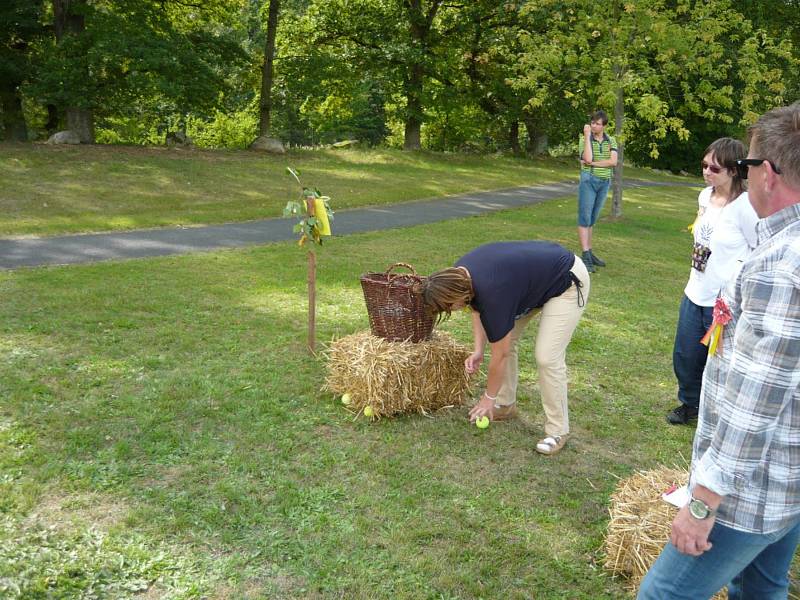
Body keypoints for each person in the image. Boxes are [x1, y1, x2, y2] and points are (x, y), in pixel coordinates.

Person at [638, 102, 800, 599]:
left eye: (748, 166)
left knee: (662, 595)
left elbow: (755, 401)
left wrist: (703, 504)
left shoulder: (781, 264)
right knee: (762, 588)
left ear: (766, 174)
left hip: (751, 494)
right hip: (786, 482)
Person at [420, 241, 589, 456]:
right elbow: (476, 308)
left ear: (456, 293)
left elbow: (500, 354)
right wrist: (478, 349)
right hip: (532, 283)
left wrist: (487, 398)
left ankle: (558, 431)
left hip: (567, 280)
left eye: (448, 306)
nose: (450, 310)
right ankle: (506, 404)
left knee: (547, 357)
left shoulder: (492, 292)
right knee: (505, 340)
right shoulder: (458, 276)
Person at [666, 138, 759, 425]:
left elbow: (757, 249)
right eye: (704, 165)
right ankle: (690, 404)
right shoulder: (704, 197)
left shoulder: (746, 207)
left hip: (724, 303)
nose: (707, 172)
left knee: (718, 360)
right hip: (695, 290)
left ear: (733, 170)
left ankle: (717, 411)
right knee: (685, 355)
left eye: (714, 168)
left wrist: (735, 281)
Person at [578, 110, 618, 273]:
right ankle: (585, 254)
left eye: (597, 123)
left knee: (593, 218)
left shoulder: (611, 140)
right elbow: (587, 158)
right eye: (592, 122)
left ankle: (589, 251)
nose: (594, 125)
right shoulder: (584, 139)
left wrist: (593, 163)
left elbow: (613, 162)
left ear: (604, 126)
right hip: (589, 181)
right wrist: (587, 136)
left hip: (604, 182)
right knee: (585, 217)